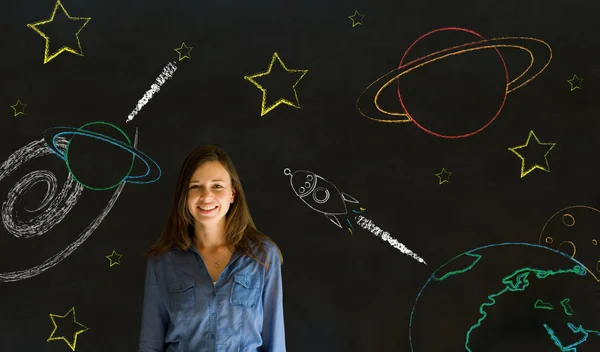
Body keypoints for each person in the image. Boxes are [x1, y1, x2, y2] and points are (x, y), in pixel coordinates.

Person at [138, 145, 286, 352]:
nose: (206, 196)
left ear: (232, 194)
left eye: (217, 186)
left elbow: (275, 343)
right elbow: (150, 344)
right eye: (196, 186)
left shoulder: (263, 256)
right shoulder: (162, 260)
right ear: (185, 196)